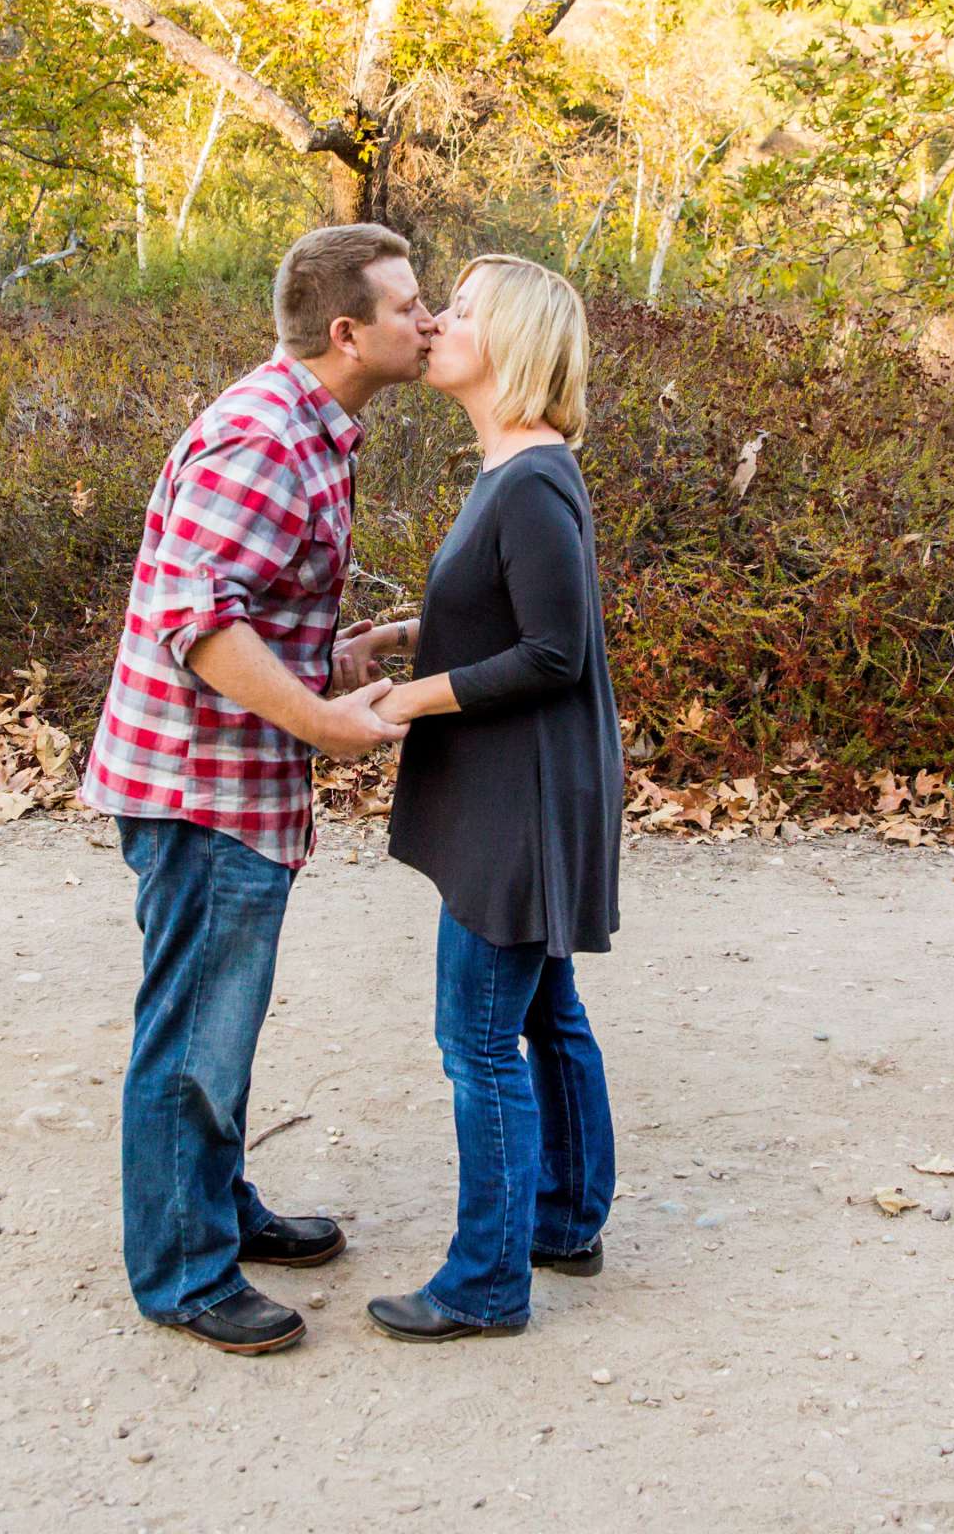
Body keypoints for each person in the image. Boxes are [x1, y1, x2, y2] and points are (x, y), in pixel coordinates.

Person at [79, 223, 432, 1355]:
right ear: (348, 331)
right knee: (193, 1030)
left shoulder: (311, 428)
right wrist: (325, 722)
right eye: (409, 306)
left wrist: (342, 655)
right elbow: (197, 621)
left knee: (218, 1019)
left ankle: (214, 1206)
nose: (428, 323)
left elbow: (247, 609)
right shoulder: (265, 440)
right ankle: (183, 1272)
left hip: (231, 779)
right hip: (199, 788)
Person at [332, 255, 622, 1343]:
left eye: (463, 309)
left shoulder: (535, 477)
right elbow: (511, 610)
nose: (439, 322)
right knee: (543, 1011)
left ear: (518, 343)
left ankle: (488, 1279)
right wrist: (404, 632)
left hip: (521, 798)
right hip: (521, 786)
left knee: (480, 1037)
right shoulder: (514, 469)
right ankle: (564, 1218)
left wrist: (408, 696)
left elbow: (554, 651)